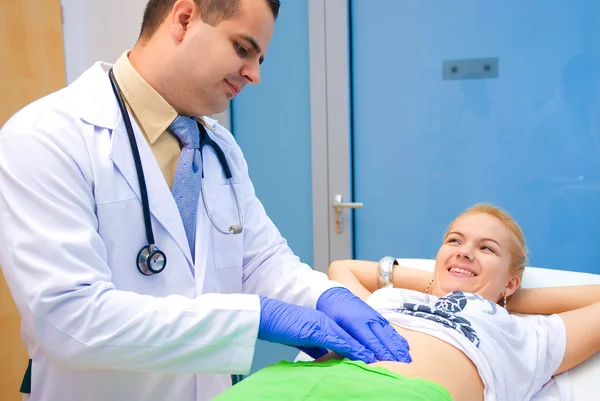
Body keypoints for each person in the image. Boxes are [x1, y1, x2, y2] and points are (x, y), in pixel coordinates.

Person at [0, 1, 410, 400]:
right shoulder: (45, 138)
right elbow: (71, 320)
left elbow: (263, 261)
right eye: (242, 49)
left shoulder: (218, 148)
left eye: (259, 59)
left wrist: (325, 298)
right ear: (183, 18)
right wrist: (258, 318)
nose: (253, 75)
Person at [211, 203, 600, 401]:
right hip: (296, 383)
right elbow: (341, 267)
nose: (465, 252)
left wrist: (505, 301)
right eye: (454, 241)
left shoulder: (523, 335)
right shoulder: (391, 298)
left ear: (512, 280)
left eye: (486, 248)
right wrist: (440, 286)